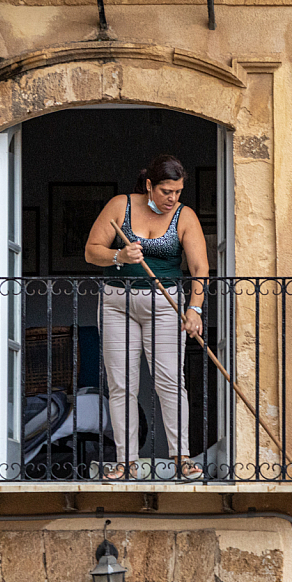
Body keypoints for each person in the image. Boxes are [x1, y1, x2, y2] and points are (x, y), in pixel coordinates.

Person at [85, 155, 209, 480]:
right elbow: (91, 250)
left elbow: (199, 269)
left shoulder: (185, 216)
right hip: (116, 303)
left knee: (170, 381)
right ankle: (126, 462)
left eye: (178, 192)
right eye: (167, 191)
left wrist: (194, 309)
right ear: (150, 185)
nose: (173, 198)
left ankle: (181, 458)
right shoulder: (120, 206)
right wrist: (119, 255)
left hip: (165, 302)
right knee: (121, 384)